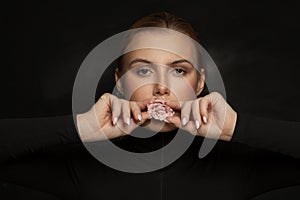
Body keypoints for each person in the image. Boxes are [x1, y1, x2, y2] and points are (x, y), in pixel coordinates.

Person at [0, 12, 299, 200]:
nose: (161, 86)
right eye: (143, 70)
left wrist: (237, 127)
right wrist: (79, 128)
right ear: (119, 82)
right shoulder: (78, 164)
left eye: (179, 70)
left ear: (198, 83)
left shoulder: (239, 163)